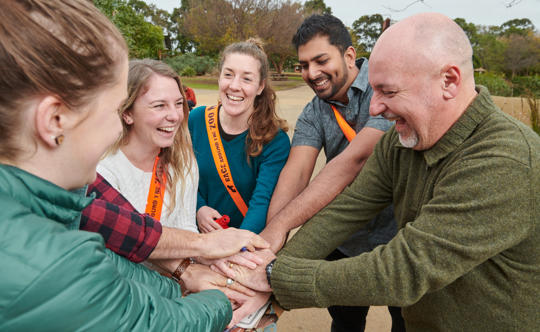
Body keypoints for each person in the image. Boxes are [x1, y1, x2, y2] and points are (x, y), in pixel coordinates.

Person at [228, 12, 540, 331]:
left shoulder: (505, 159)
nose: (374, 108)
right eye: (374, 91)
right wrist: (270, 272)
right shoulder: (400, 142)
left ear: (449, 81)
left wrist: (273, 277)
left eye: (389, 92)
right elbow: (345, 211)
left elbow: (405, 270)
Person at [0, 1, 249, 330]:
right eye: (114, 110)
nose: (118, 128)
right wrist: (222, 298)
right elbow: (157, 323)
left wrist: (180, 281)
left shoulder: (39, 198)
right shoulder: (53, 269)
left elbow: (115, 227)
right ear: (55, 120)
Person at [257, 14, 403, 331]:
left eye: (321, 60)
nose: (312, 73)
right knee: (345, 322)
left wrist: (282, 226)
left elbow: (355, 160)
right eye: (304, 65)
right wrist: (269, 238)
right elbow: (295, 173)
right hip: (345, 239)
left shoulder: (385, 88)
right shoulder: (314, 111)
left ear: (349, 55)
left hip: (399, 235)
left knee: (407, 321)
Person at [188, 39, 290, 235]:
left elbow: (262, 201)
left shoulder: (275, 140)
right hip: (194, 239)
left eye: (246, 79)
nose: (234, 86)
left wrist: (236, 247)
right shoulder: (197, 119)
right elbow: (180, 175)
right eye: (228, 75)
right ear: (219, 78)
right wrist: (198, 208)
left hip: (243, 244)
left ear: (260, 87)